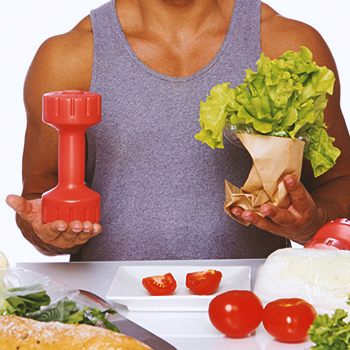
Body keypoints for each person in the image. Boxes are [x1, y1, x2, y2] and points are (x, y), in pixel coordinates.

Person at [6, 0, 350, 261]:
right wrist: (50, 233)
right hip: (112, 319)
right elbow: (37, 198)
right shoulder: (67, 58)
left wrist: (312, 222)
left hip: (252, 319)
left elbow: (340, 184)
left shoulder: (287, 45)